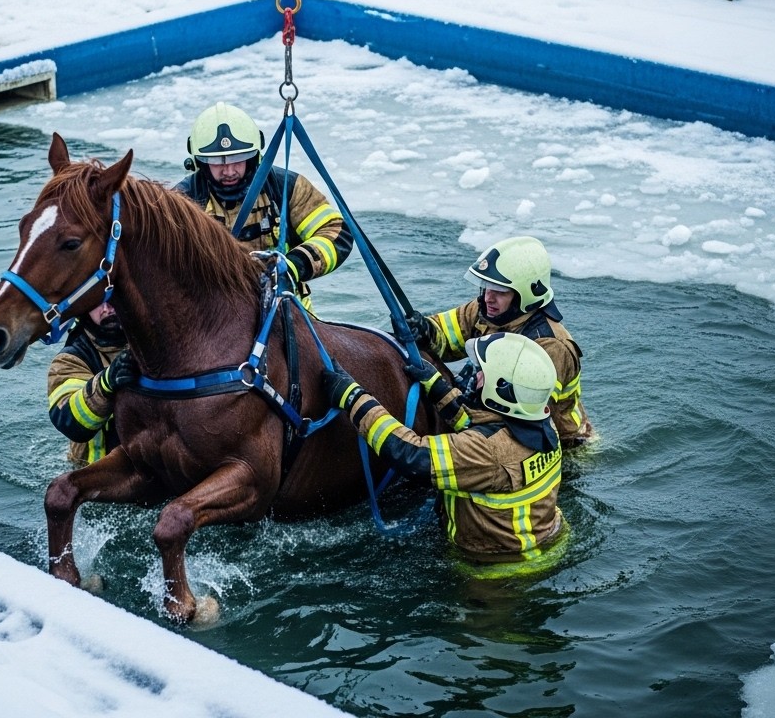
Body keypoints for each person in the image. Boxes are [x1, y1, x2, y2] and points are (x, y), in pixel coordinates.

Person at [322, 332, 566, 568]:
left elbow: (411, 454)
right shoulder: (543, 426)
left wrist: (354, 398)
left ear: (500, 389)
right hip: (545, 543)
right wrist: (438, 387)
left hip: (499, 574)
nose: (477, 375)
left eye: (484, 373)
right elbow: (483, 428)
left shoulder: (488, 452)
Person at [406, 236, 593, 446]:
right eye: (486, 286)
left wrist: (442, 393)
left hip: (558, 446)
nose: (488, 298)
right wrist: (425, 330)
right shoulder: (487, 310)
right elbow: (445, 337)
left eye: (500, 291)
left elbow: (508, 422)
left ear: (526, 295)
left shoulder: (551, 347)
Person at [174, 102, 353, 303]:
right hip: (214, 318)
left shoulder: (286, 187)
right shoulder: (181, 203)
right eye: (218, 162)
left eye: (238, 158)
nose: (229, 170)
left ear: (254, 156)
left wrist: (292, 266)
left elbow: (337, 233)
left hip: (288, 312)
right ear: (199, 162)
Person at [45, 301, 133, 466]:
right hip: (94, 473)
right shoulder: (69, 360)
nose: (107, 308)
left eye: (113, 297)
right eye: (98, 302)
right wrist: (106, 383)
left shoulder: (156, 342)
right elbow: (69, 421)